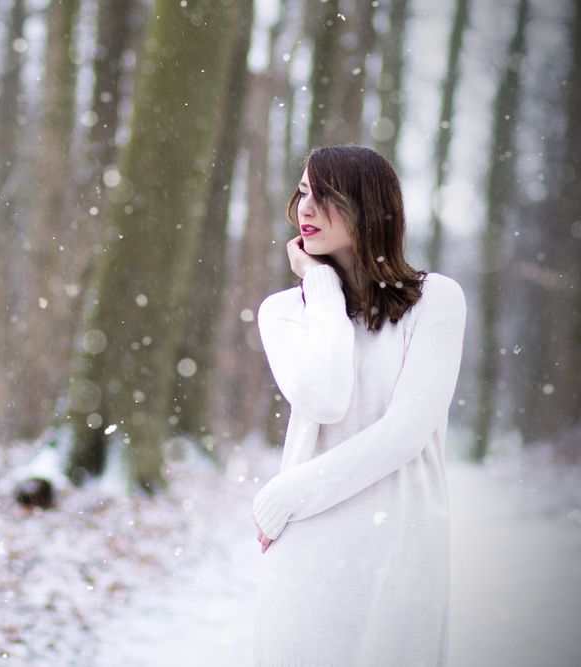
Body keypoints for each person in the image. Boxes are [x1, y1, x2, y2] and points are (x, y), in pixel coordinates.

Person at [250, 145, 467, 666]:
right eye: (303, 192)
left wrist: (288, 492)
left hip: (399, 543)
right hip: (308, 545)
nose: (305, 208)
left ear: (368, 207)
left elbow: (406, 433)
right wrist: (320, 287)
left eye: (325, 196)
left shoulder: (435, 301)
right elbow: (325, 399)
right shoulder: (284, 312)